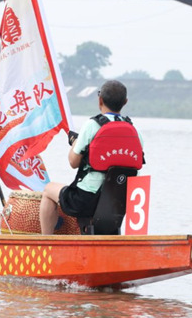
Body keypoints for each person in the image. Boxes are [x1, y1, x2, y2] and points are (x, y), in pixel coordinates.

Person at [39, 79, 145, 235]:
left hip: (87, 199)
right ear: (125, 102)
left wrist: (75, 143)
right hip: (120, 201)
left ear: (100, 100)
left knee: (48, 190)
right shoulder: (134, 130)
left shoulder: (92, 125)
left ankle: (45, 244)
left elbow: (73, 162)